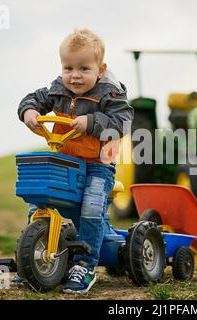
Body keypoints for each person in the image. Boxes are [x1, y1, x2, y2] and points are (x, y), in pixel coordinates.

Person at [17, 28, 134, 293]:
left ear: (100, 69)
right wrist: (30, 111)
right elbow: (33, 98)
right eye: (68, 68)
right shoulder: (58, 90)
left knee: (92, 208)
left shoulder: (110, 94)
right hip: (65, 162)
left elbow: (121, 124)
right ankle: (32, 256)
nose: (75, 76)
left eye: (83, 68)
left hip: (97, 165)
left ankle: (85, 264)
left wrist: (91, 122)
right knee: (39, 202)